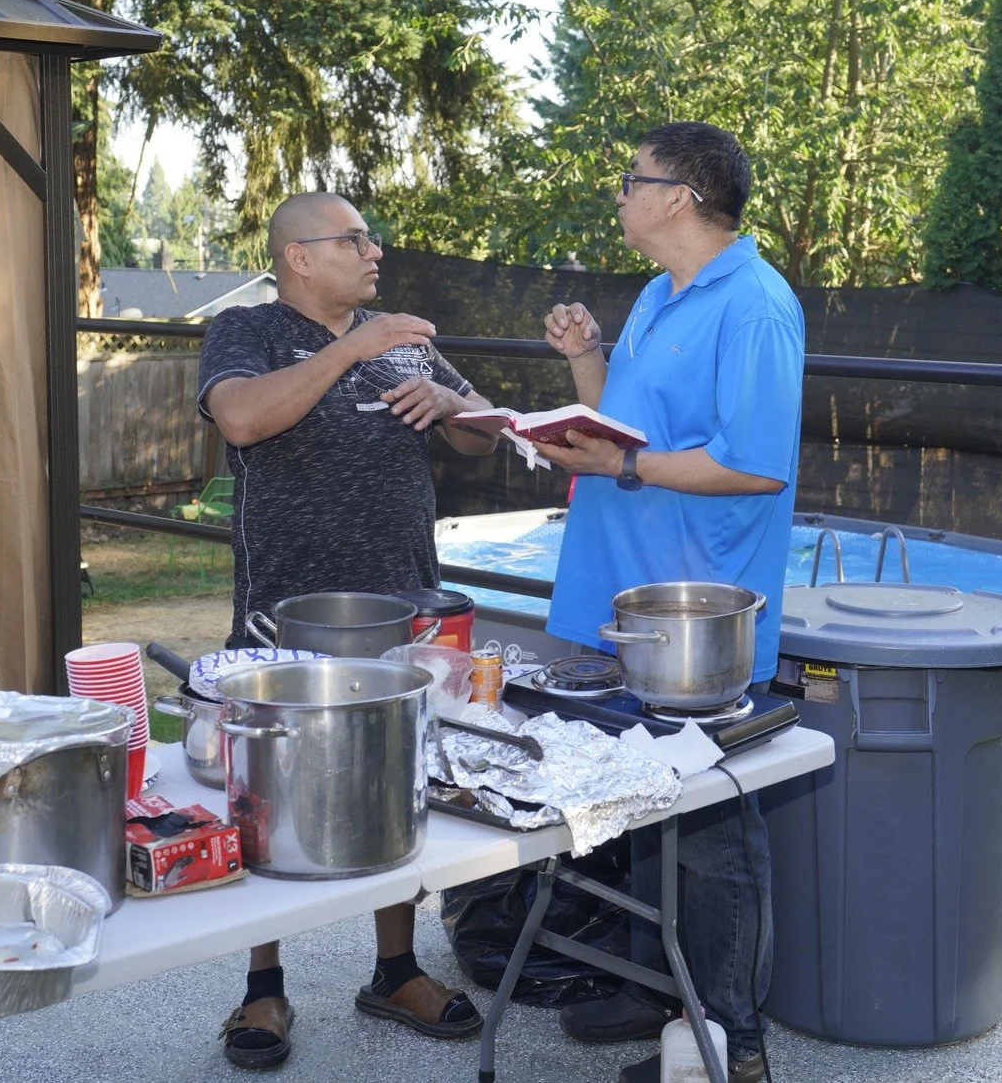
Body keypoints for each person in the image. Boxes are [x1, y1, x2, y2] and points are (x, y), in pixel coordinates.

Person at [529, 122, 804, 1083]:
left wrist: (626, 464)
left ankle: (736, 1043)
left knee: (715, 828)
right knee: (647, 804)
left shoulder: (757, 306)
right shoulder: (656, 293)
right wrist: (585, 367)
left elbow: (753, 466)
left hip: (698, 618)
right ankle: (661, 995)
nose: (619, 194)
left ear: (680, 196)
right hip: (623, 591)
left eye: (630, 179)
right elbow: (628, 432)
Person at [196, 191, 498, 1069]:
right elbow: (244, 419)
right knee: (267, 789)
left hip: (401, 602)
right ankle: (262, 989)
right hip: (283, 606)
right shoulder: (247, 331)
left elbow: (485, 437)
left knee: (395, 778)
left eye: (371, 236)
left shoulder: (402, 335)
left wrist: (446, 398)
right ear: (300, 257)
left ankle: (394, 970)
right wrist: (351, 351)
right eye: (355, 238)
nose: (374, 251)